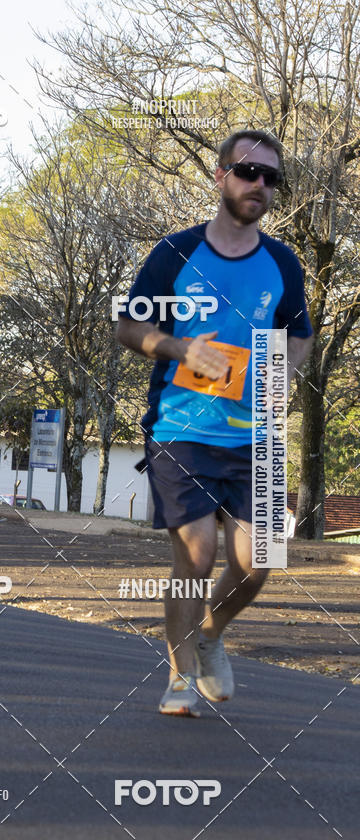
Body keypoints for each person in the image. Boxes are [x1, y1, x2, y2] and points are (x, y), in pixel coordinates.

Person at [117, 129, 313, 717]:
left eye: (270, 178)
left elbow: (300, 334)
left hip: (258, 435)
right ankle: (178, 676)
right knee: (196, 555)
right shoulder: (175, 254)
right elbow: (128, 328)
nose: (259, 184)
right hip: (183, 427)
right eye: (248, 172)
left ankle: (209, 634)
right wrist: (180, 350)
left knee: (261, 560)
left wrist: (284, 372)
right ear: (221, 176)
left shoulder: (282, 261)